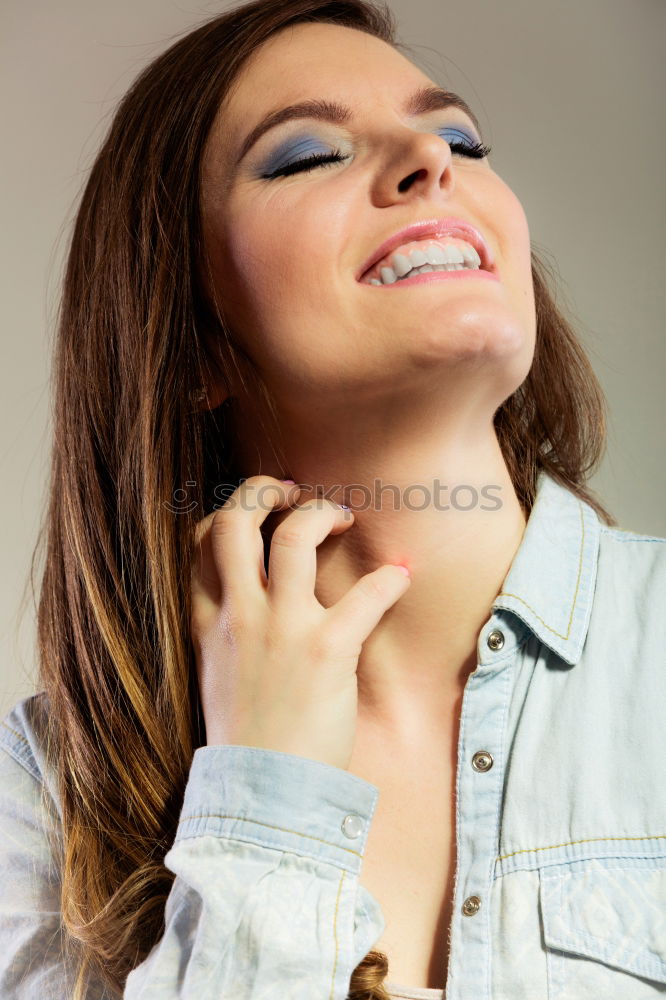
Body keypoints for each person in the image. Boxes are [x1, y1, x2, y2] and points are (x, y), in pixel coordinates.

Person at [1, 0, 665, 997]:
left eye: (461, 138)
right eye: (307, 155)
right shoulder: (43, 792)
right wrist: (266, 800)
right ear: (194, 343)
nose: (429, 160)